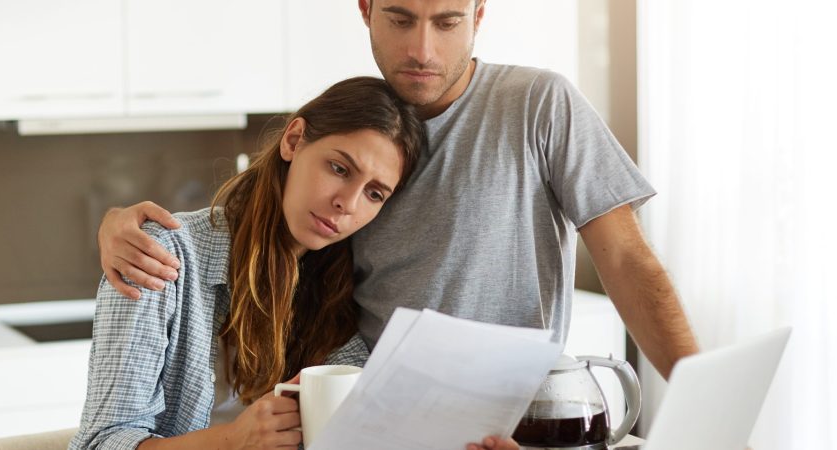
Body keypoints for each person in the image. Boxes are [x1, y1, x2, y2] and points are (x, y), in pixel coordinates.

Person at [99, 0, 698, 399]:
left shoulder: (539, 104)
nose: (422, 52)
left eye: (446, 22)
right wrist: (128, 229)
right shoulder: (356, 127)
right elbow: (260, 223)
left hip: (518, 419)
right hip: (376, 418)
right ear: (365, 10)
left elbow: (626, 260)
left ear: (478, 15)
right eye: (400, 17)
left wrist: (698, 394)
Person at [72, 77, 512, 450]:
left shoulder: (338, 286)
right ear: (294, 140)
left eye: (375, 193)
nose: (347, 204)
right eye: (339, 168)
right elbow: (101, 441)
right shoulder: (159, 257)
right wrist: (233, 440)